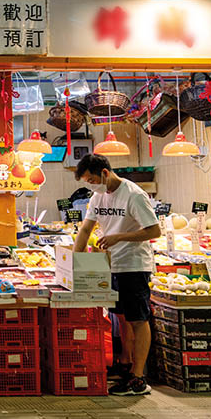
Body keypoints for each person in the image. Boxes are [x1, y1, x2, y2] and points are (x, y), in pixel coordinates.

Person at [72, 153, 160, 396]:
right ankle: (125, 365)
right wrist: (74, 261)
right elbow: (86, 228)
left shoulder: (133, 195)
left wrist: (119, 237)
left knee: (138, 319)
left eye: (91, 180)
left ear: (104, 173)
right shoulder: (97, 197)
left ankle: (138, 378)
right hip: (112, 265)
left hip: (134, 264)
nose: (90, 185)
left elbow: (154, 230)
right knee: (121, 317)